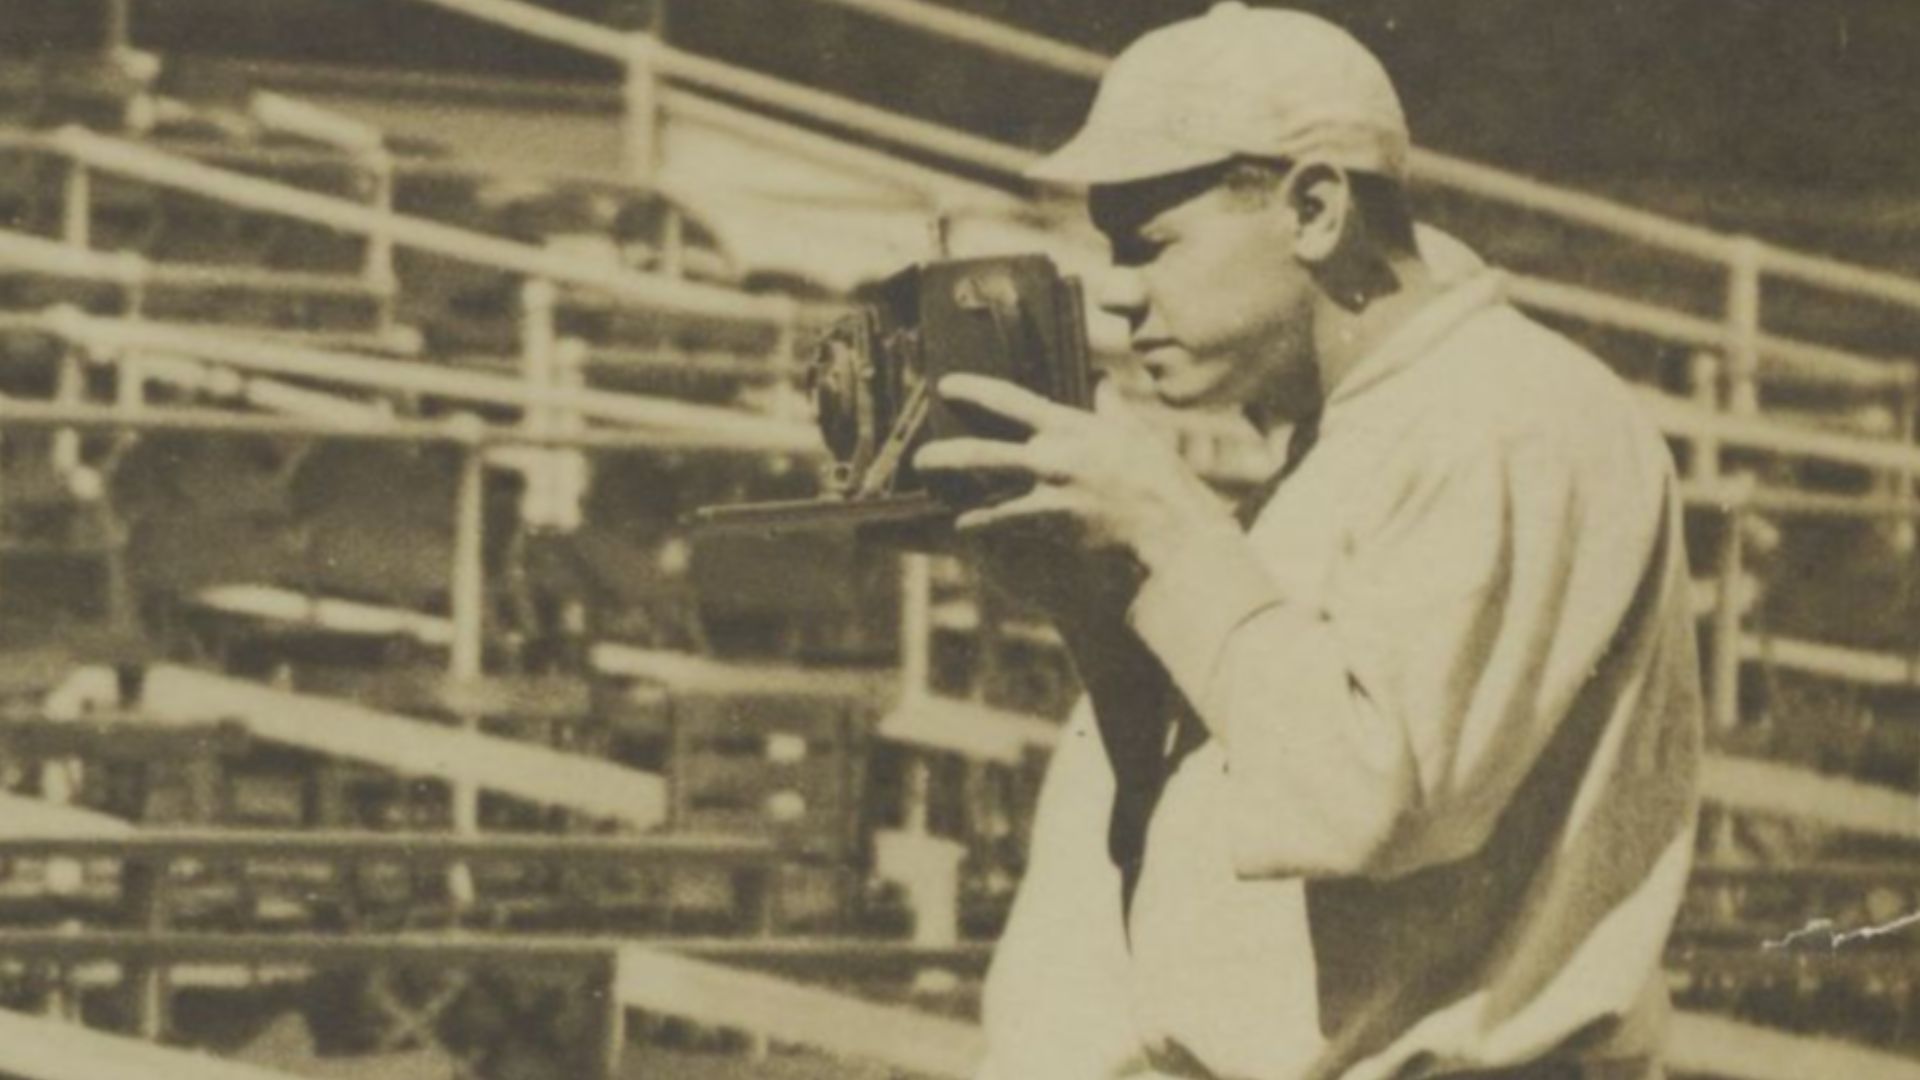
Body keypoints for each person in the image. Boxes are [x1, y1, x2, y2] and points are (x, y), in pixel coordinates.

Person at [911, 5, 1704, 1079]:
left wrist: (1168, 524)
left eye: (1150, 242)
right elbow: (1241, 777)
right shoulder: (1364, 428)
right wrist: (1098, 601)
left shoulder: (1511, 416)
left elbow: (1363, 794)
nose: (1116, 288)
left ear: (1317, 209)